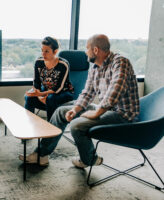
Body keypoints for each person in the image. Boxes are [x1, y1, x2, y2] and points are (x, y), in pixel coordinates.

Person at [19, 34, 140, 167]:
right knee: (61, 112)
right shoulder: (95, 68)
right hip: (105, 109)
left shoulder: (120, 62)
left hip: (122, 114)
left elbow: (115, 90)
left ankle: (89, 159)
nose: (85, 52)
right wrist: (76, 109)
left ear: (95, 50)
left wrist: (96, 113)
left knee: (77, 125)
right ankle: (42, 155)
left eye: (87, 48)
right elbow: (87, 93)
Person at [25, 36, 74, 121]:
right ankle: (29, 124)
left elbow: (59, 88)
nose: (43, 54)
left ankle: (51, 128)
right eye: (42, 51)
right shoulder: (38, 62)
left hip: (64, 92)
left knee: (50, 99)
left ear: (55, 51)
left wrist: (41, 95)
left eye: (47, 51)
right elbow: (36, 83)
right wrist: (39, 95)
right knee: (29, 97)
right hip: (46, 91)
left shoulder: (63, 65)